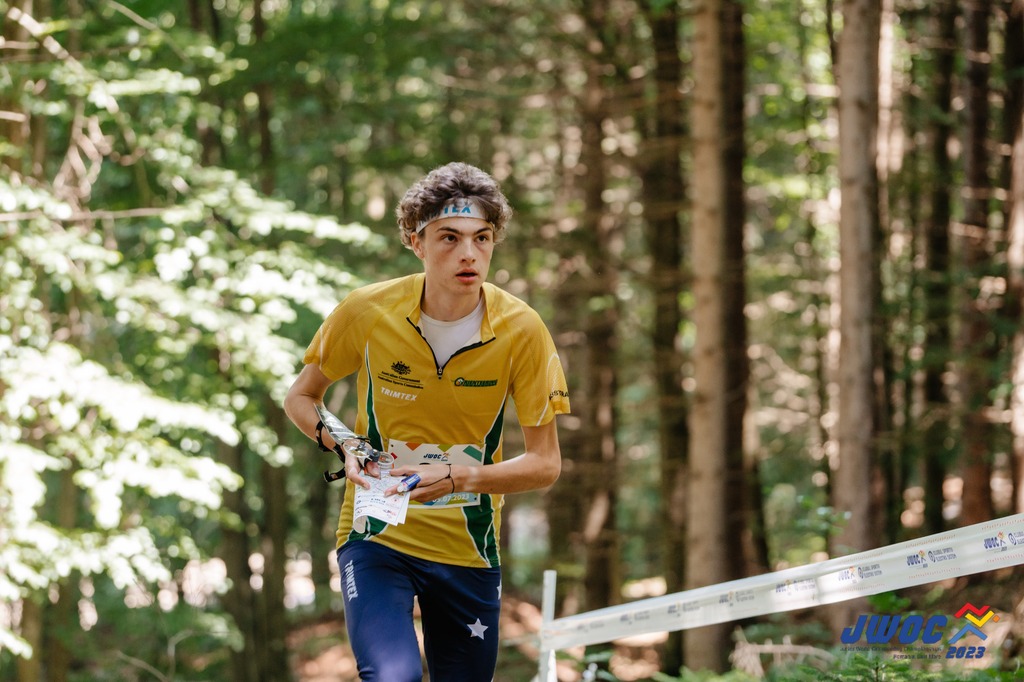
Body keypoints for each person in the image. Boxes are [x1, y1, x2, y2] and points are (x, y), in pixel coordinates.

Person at [284, 162, 571, 681]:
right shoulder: (369, 311)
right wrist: (348, 445)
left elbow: (546, 464)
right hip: (376, 533)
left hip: (468, 545)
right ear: (415, 242)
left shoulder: (522, 329)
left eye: (482, 238)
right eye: (449, 238)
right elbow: (302, 397)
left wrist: (462, 478)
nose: (469, 253)